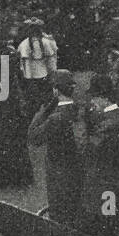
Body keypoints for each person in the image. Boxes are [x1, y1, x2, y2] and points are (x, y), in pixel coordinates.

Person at [79, 76, 119, 236]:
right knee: (115, 224)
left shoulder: (108, 124)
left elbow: (86, 149)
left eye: (93, 99)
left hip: (107, 188)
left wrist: (82, 122)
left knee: (107, 228)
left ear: (102, 99)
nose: (91, 103)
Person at [26, 69, 82, 225]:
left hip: (59, 173)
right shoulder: (80, 110)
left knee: (60, 213)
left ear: (55, 90)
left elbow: (33, 137)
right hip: (79, 169)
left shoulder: (55, 118)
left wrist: (43, 111)